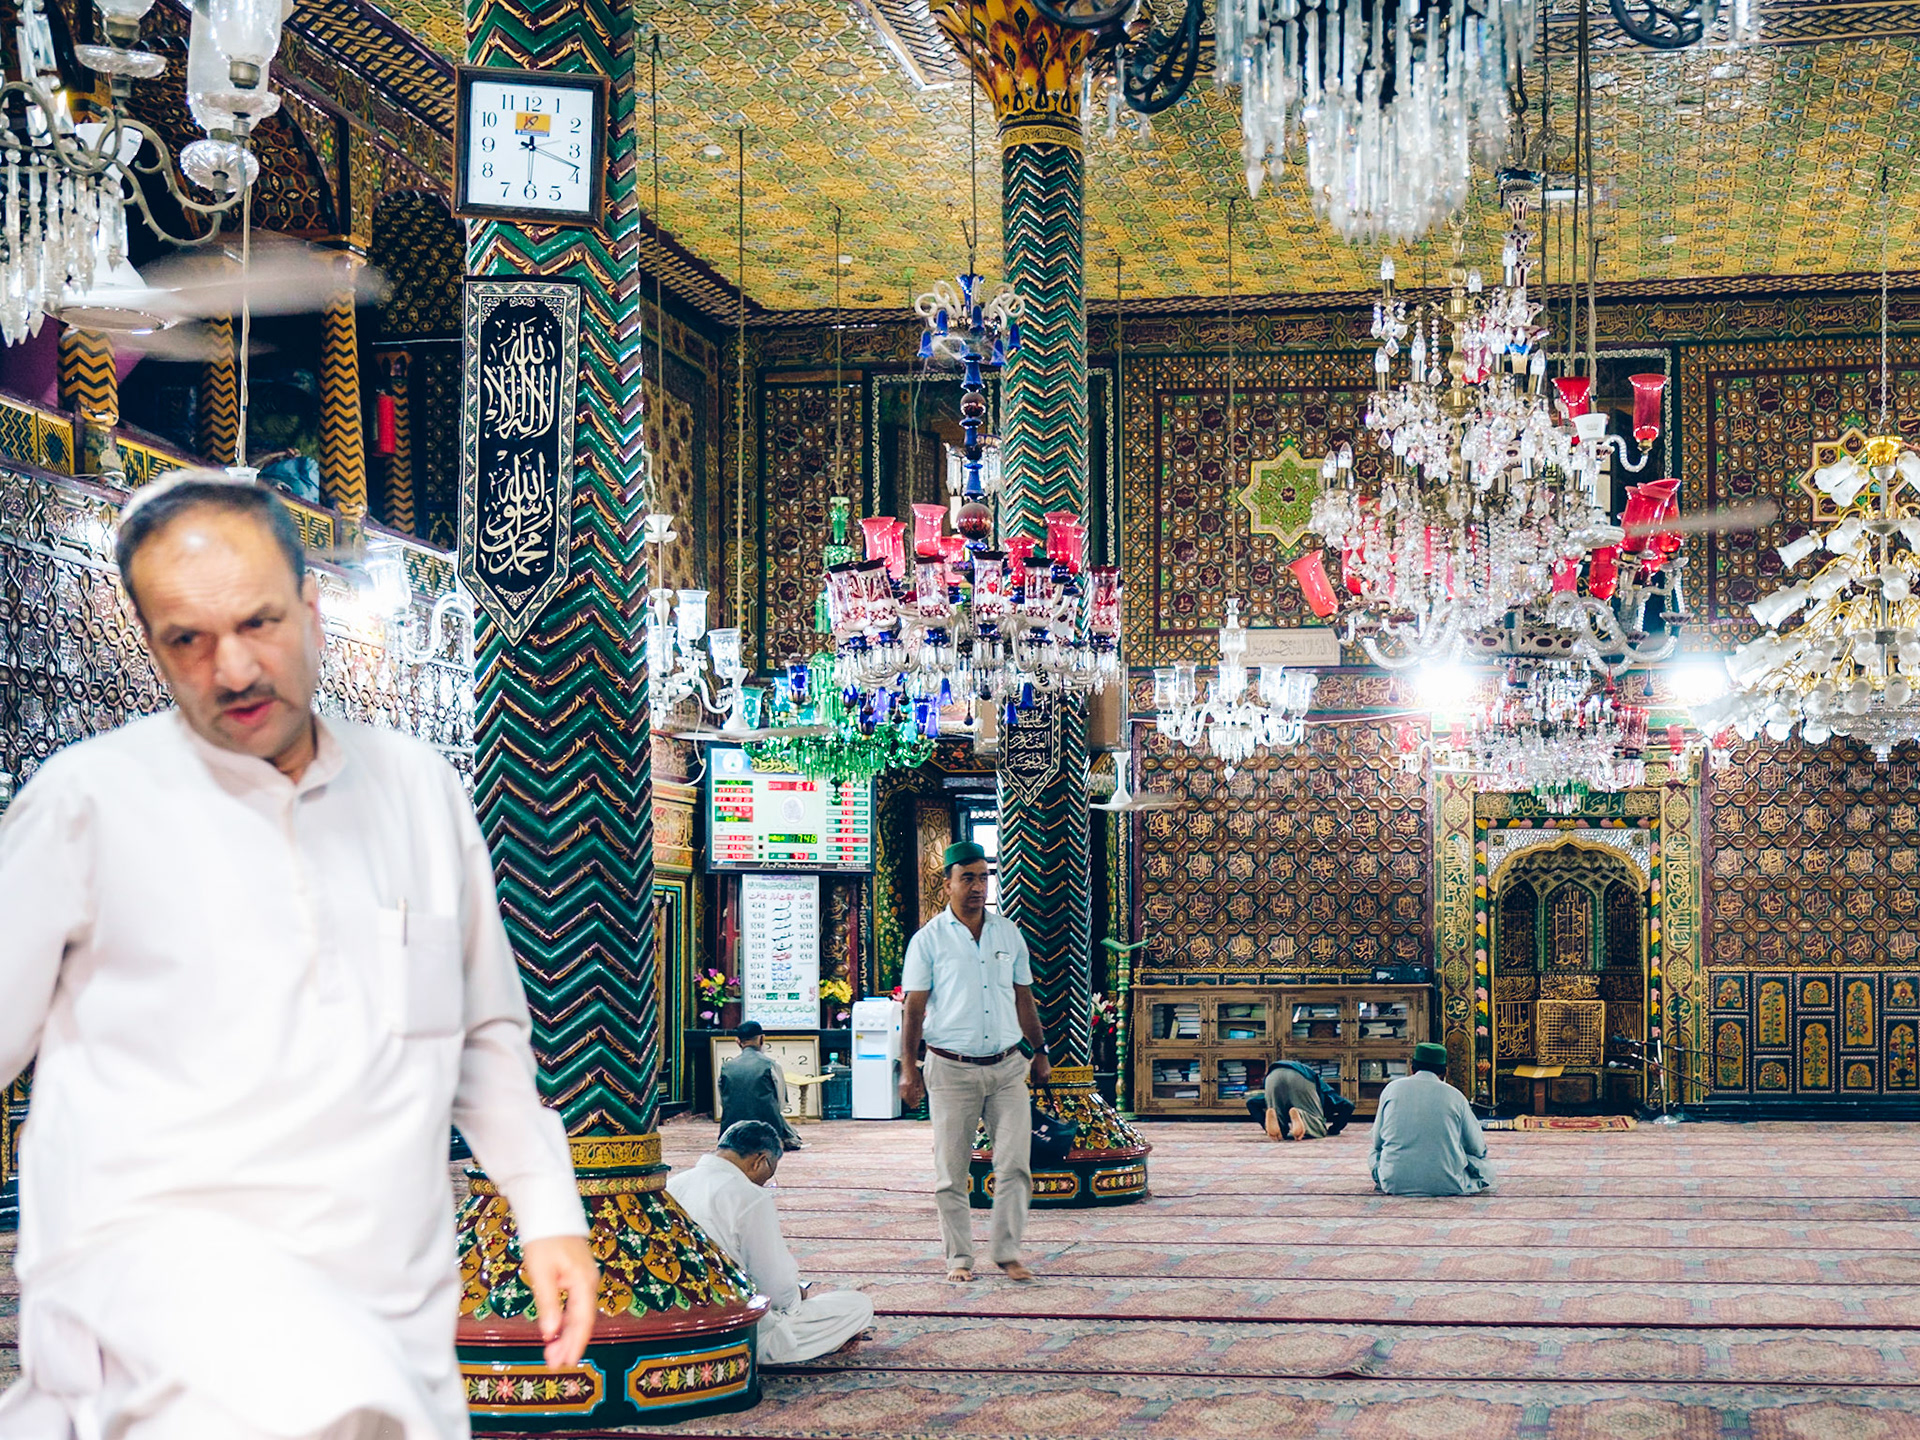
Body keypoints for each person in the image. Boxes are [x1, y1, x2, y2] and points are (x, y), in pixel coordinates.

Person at [0, 471, 597, 1439]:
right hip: (161, 1335)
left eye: (258, 624)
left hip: (389, 1324)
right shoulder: (87, 805)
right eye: (187, 641)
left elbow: (483, 1033)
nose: (232, 671)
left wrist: (546, 1207)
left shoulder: (416, 791)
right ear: (150, 645)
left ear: (312, 609)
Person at [898, 840, 1050, 1285]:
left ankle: (1006, 1251)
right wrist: (909, 1069)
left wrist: (1039, 1052)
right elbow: (913, 1010)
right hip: (951, 1069)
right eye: (968, 878)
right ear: (947, 884)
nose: (978, 886)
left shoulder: (1008, 934)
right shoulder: (928, 941)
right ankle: (959, 1258)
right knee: (952, 1172)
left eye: (984, 877)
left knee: (1015, 1165)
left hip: (1007, 1068)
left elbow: (1024, 997)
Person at [666, 1120, 873, 1363]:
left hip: (677, 1325)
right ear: (760, 1160)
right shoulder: (748, 1195)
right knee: (858, 1305)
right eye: (770, 1174)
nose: (765, 1183)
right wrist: (797, 1296)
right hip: (741, 1330)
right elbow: (776, 1288)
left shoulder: (672, 1185)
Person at [1371, 1043, 1496, 1196]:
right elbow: (1477, 1148)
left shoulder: (1391, 1089)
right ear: (1445, 1072)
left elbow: (1377, 1142)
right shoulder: (1455, 1096)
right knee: (1484, 1166)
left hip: (1394, 1183)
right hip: (1449, 1184)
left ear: (1412, 1068)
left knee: (1374, 1153)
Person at [718, 1020, 805, 1152]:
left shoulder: (726, 1067)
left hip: (732, 1127)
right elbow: (781, 1101)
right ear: (762, 1039)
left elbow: (722, 1100)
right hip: (767, 1126)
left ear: (738, 1041)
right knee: (787, 1130)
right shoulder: (770, 1064)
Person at [1246, 1060, 1330, 1141]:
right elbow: (1343, 1104)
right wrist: (1334, 1129)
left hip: (1272, 1076)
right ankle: (1300, 1115)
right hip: (1301, 1077)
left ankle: (1276, 1125)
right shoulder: (1324, 1089)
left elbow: (1251, 1103)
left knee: (1277, 1110)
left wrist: (1264, 1123)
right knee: (1318, 1125)